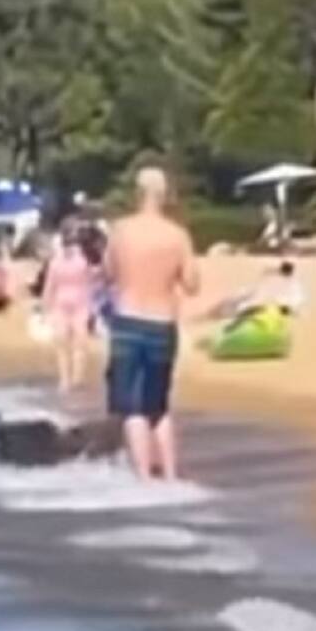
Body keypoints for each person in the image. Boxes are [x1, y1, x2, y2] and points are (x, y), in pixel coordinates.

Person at [103, 164, 200, 481]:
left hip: (128, 321)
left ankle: (144, 479)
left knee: (132, 408)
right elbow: (191, 284)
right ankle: (170, 476)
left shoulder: (121, 231)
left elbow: (108, 274)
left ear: (137, 193)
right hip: (162, 323)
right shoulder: (177, 235)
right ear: (165, 195)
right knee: (158, 406)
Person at [41, 219, 94, 394]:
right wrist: (45, 307)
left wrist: (45, 307)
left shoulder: (77, 258)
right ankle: (68, 379)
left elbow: (50, 286)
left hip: (75, 302)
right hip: (69, 303)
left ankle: (72, 378)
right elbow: (50, 285)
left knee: (74, 342)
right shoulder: (63, 260)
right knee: (69, 342)